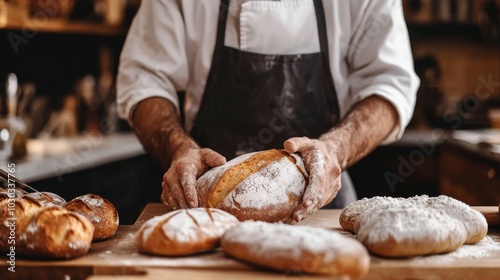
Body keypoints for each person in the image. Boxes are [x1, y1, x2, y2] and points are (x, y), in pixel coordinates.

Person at [116, 0, 419, 223]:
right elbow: (144, 80)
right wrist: (177, 148)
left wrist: (336, 150)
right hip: (203, 212)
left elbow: (391, 85)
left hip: (321, 209)